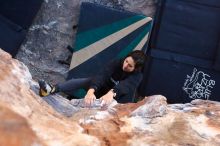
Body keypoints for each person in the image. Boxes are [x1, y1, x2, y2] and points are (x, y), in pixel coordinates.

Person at [38, 50, 146, 106]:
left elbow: (125, 86)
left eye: (130, 66)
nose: (125, 65)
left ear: (136, 69)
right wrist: (91, 90)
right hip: (99, 87)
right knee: (84, 81)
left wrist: (112, 93)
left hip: (110, 98)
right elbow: (102, 75)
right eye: (127, 61)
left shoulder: (137, 76)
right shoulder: (117, 62)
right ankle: (51, 89)